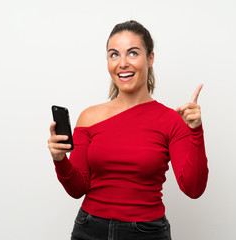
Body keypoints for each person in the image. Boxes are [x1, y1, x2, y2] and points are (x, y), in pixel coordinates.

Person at [48, 20, 208, 240]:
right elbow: (77, 189)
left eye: (133, 53)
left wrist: (195, 132)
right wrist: (59, 160)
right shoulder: (88, 117)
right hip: (89, 229)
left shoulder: (171, 120)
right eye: (114, 54)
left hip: (147, 232)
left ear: (150, 58)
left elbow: (193, 188)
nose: (122, 63)